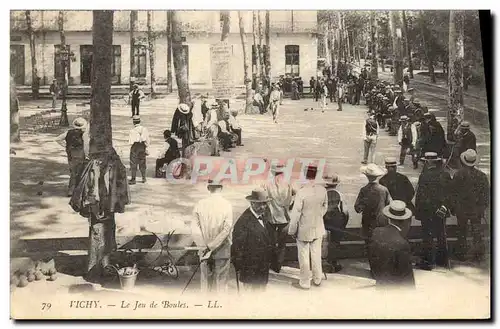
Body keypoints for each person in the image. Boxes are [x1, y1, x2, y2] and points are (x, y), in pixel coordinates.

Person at [69, 147, 130, 284]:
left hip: (107, 206)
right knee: (98, 233)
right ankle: (94, 269)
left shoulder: (112, 165)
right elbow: (92, 190)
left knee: (106, 233)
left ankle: (105, 265)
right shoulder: (93, 166)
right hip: (97, 207)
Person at [288, 165, 328, 290]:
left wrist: (292, 230)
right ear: (315, 175)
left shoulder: (301, 192)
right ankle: (317, 278)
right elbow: (325, 206)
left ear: (305, 175)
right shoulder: (322, 190)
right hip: (318, 225)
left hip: (304, 228)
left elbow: (296, 214)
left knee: (304, 255)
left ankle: (305, 281)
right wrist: (319, 216)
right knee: (316, 254)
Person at [192, 180, 233, 293]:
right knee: (221, 284)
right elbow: (227, 229)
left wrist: (203, 246)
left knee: (205, 283)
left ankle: (206, 306)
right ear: (221, 187)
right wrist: (212, 246)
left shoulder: (200, 204)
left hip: (204, 250)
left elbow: (194, 228)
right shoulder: (227, 205)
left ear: (208, 188)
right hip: (222, 249)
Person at [232, 188, 275, 292]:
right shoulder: (243, 221)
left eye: (265, 204)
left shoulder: (263, 217)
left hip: (262, 268)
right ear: (252, 203)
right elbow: (237, 247)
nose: (263, 207)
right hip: (250, 271)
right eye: (260, 204)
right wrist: (240, 267)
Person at [414, 152, 452, 270]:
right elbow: (450, 192)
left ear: (428, 161)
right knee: (441, 234)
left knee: (428, 236)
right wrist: (445, 207)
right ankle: (443, 260)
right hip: (441, 210)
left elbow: (420, 195)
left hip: (427, 210)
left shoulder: (424, 176)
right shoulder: (444, 174)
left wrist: (418, 212)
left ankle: (428, 261)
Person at [450, 149, 490, 262]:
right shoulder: (481, 176)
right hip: (476, 210)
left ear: (463, 161)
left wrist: (453, 208)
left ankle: (460, 254)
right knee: (477, 232)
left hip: (461, 209)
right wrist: (482, 208)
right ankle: (478, 254)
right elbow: (486, 194)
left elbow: (453, 192)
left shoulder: (458, 175)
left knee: (461, 231)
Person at [369, 200, 415, 288]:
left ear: (388, 217)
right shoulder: (402, 244)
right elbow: (407, 279)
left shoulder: (376, 232)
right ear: (404, 220)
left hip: (380, 284)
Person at [262, 164, 295, 273]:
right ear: (283, 172)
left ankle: (271, 262)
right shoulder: (288, 184)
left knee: (270, 242)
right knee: (282, 243)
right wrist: (290, 206)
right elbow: (296, 194)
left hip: (271, 217)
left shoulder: (267, 184)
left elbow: (262, 198)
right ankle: (278, 265)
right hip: (285, 217)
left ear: (273, 172)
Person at [354, 164, 392, 244]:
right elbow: (389, 205)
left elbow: (357, 208)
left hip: (368, 221)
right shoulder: (384, 190)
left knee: (368, 243)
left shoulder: (364, 190)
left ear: (367, 176)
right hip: (381, 221)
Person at [379, 157, 415, 234]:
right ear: (396, 167)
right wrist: (404, 202)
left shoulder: (382, 180)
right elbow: (411, 192)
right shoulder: (403, 178)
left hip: (390, 209)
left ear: (386, 167)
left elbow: (383, 198)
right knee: (405, 231)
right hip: (404, 208)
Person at [55, 117, 90, 196]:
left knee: (73, 172)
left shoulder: (68, 132)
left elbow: (57, 139)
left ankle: (72, 190)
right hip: (80, 154)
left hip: (70, 154)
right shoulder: (84, 134)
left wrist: (65, 146)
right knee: (79, 172)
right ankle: (76, 190)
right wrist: (87, 155)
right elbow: (86, 146)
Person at [322, 173, 349, 273]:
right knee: (335, 242)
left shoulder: (322, 194)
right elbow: (345, 211)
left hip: (324, 220)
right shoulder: (340, 195)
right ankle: (333, 263)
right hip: (336, 221)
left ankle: (322, 262)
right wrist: (344, 223)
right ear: (336, 184)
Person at [128, 115, 150, 185]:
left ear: (133, 122)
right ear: (140, 121)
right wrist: (145, 146)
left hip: (135, 147)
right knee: (142, 162)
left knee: (133, 163)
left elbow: (131, 142)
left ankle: (133, 179)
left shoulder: (132, 131)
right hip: (142, 147)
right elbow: (147, 140)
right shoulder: (144, 129)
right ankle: (144, 178)